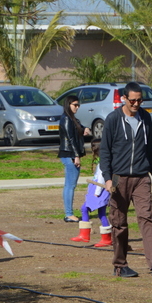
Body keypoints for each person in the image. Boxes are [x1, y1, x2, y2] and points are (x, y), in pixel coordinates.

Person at [100, 82, 152, 278]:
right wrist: (107, 178)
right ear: (124, 99)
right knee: (119, 223)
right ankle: (120, 265)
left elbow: (151, 151)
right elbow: (105, 152)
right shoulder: (113, 120)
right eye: (133, 100)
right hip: (118, 179)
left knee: (147, 217)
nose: (136, 104)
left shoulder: (145, 118)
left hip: (141, 178)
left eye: (139, 100)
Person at [70, 139, 112, 247]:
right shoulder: (103, 160)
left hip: (100, 190)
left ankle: (90, 236)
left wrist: (97, 193)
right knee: (101, 213)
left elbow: (102, 178)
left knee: (85, 209)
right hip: (98, 189)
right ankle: (101, 237)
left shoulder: (104, 162)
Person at [58, 95, 89, 223]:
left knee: (69, 185)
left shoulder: (71, 119)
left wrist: (84, 129)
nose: (77, 107)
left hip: (70, 154)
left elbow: (78, 129)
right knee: (70, 185)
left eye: (78, 105)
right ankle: (69, 214)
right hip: (69, 154)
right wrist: (76, 156)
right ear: (68, 105)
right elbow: (70, 139)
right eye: (74, 105)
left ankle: (69, 213)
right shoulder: (66, 119)